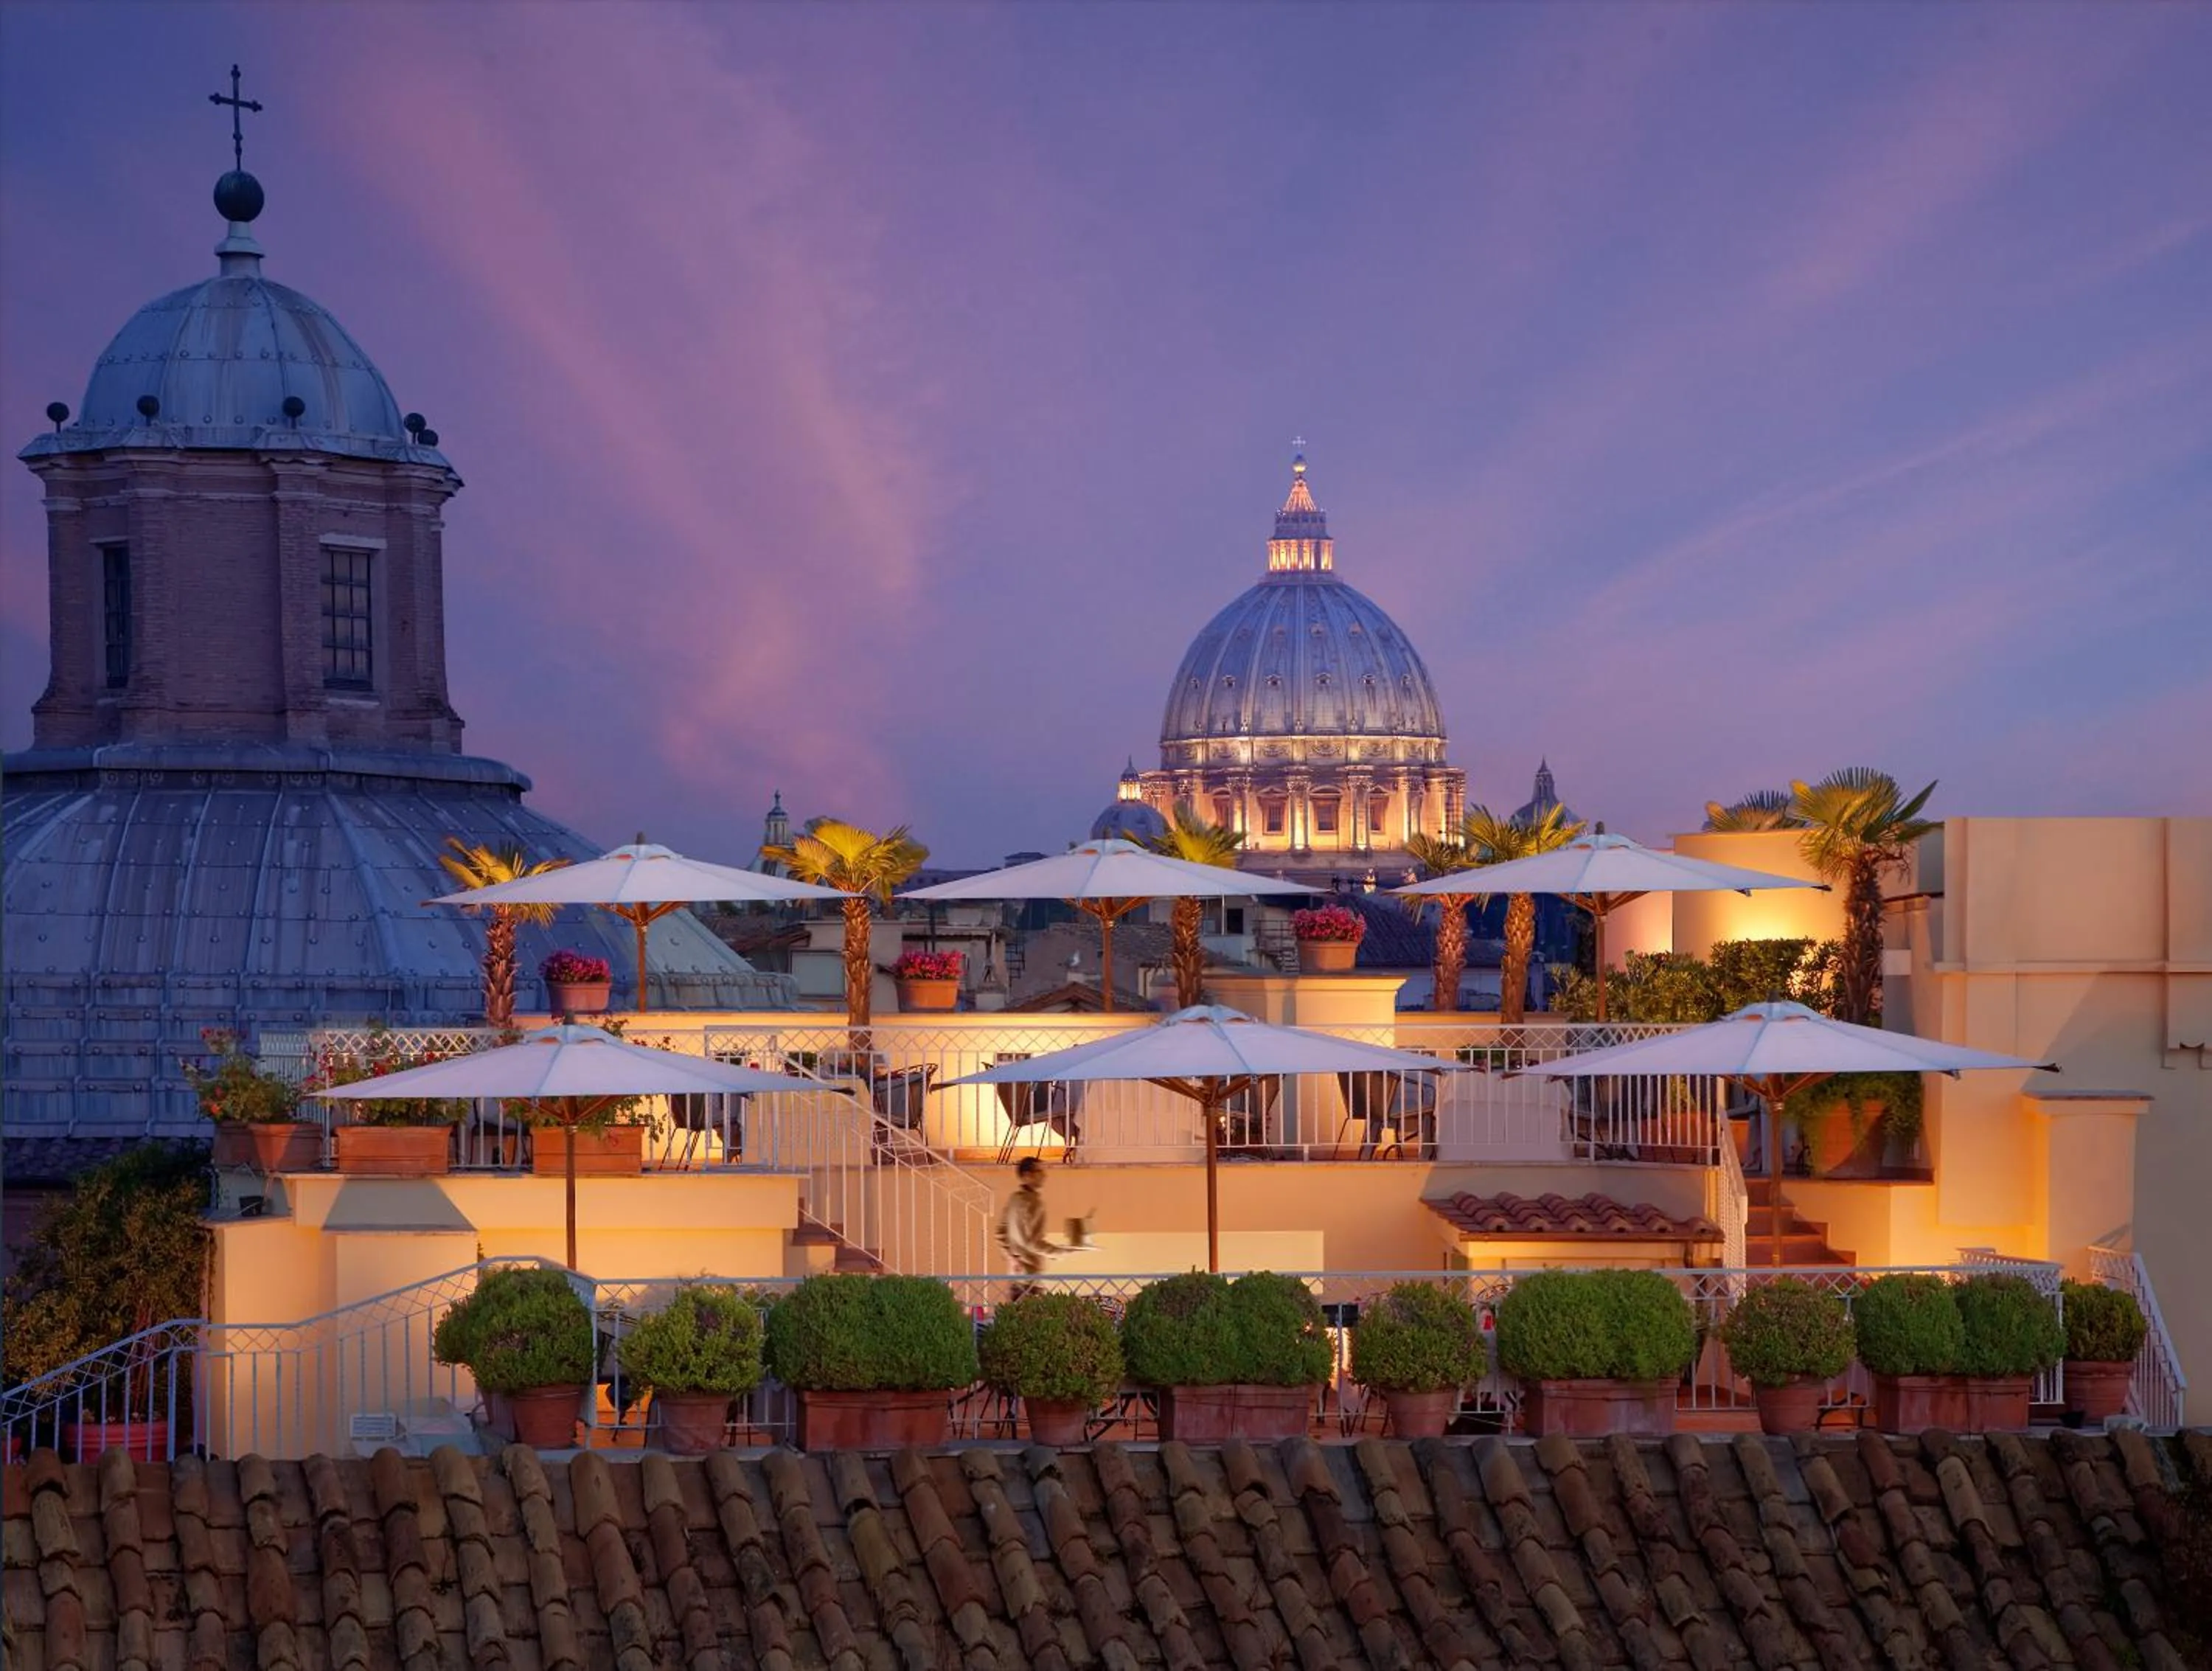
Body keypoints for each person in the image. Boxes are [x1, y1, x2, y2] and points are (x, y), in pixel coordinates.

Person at [997, 1156, 1060, 1290]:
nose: (1044, 1176)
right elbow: (1034, 1243)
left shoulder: (1014, 1200)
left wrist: (1011, 1258)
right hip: (1030, 1275)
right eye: (1040, 1172)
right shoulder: (1034, 1203)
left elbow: (1000, 1233)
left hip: (1016, 1275)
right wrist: (1058, 1252)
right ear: (1027, 1176)